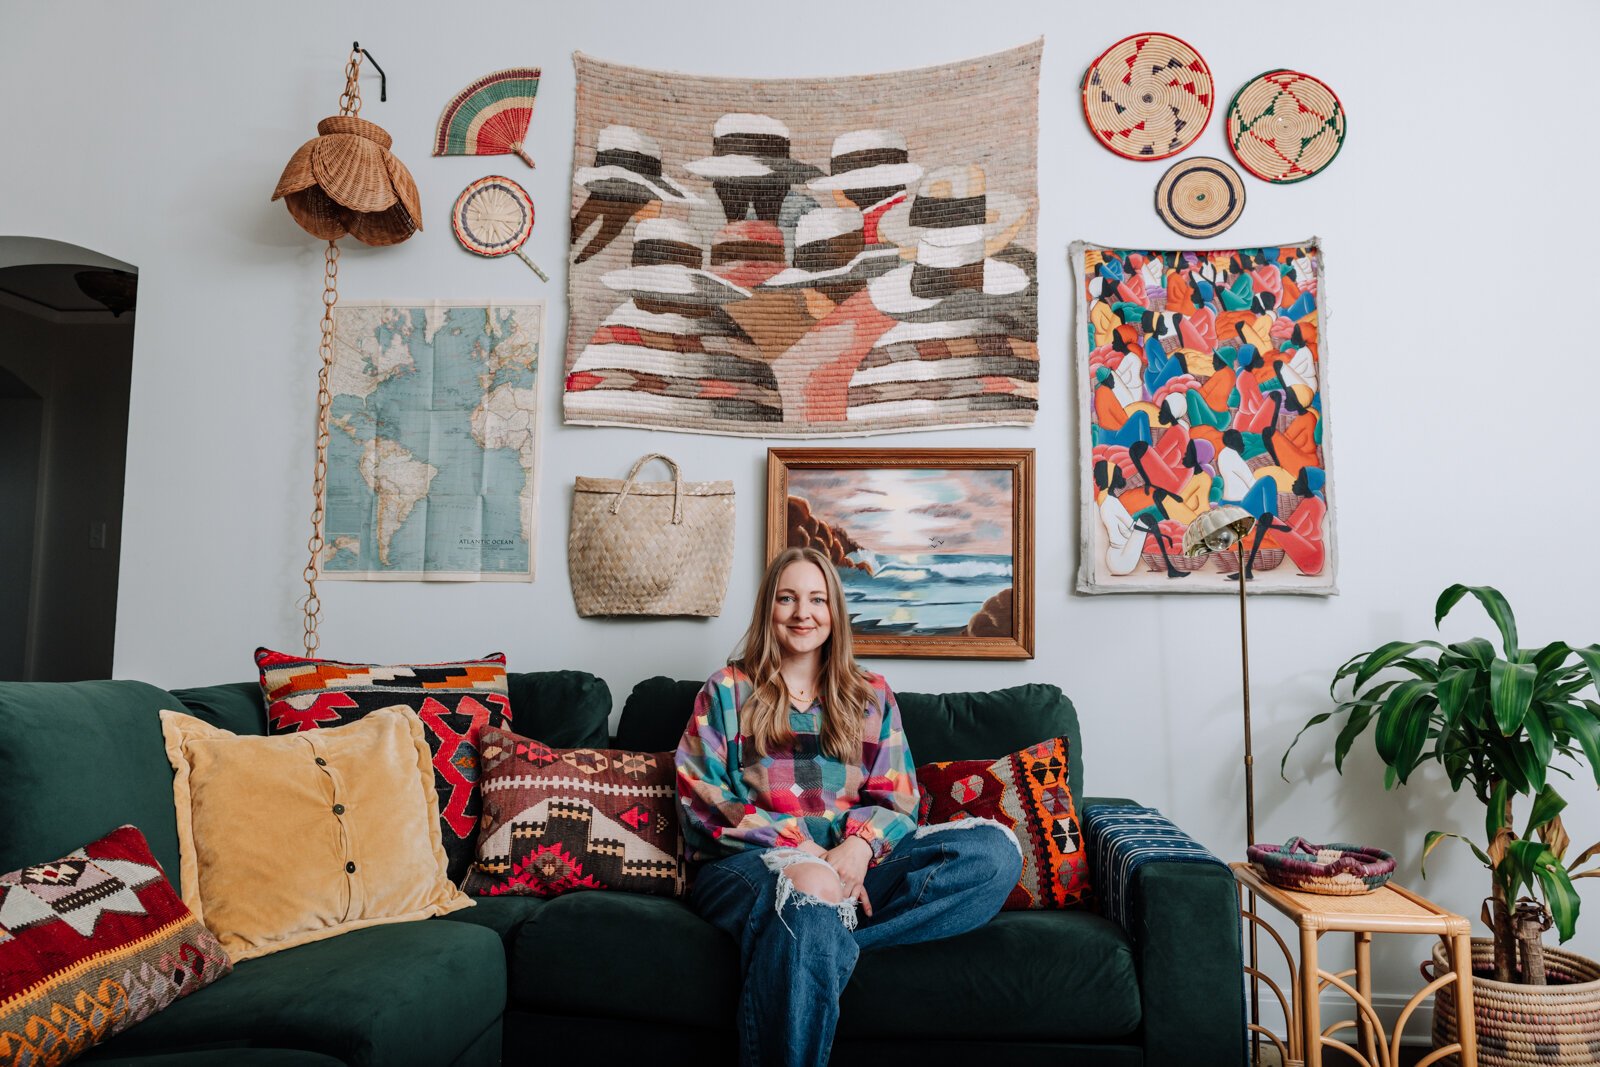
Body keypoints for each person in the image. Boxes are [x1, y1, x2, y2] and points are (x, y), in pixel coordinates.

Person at [676, 547, 1021, 1066]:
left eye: (817, 599)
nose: (802, 613)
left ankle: (818, 936)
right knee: (810, 886)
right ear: (768, 608)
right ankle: (815, 922)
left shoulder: (871, 694)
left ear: (835, 611)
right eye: (787, 599)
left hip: (855, 867)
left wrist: (858, 849)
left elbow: (899, 799)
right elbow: (702, 797)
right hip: (748, 867)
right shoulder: (727, 691)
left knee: (993, 853)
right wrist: (803, 851)